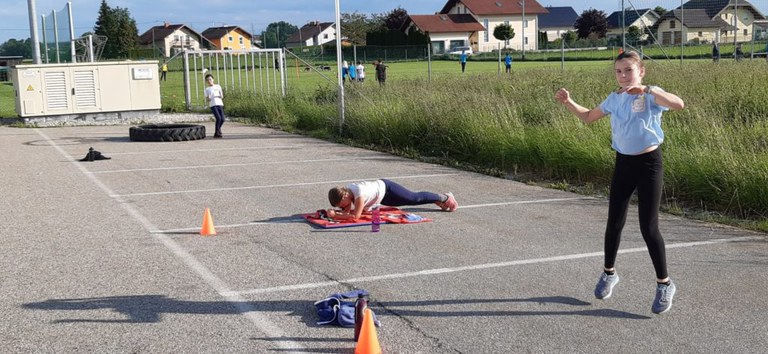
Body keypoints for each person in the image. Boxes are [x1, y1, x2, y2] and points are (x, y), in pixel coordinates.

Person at [554, 51, 685, 314]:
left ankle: (664, 284)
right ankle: (609, 273)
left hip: (649, 164)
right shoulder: (615, 98)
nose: (624, 76)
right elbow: (589, 117)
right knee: (614, 223)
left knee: (649, 228)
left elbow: (678, 104)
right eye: (618, 71)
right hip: (623, 163)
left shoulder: (651, 94)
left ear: (641, 71)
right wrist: (569, 102)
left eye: (628, 70)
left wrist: (647, 90)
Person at [326, 179, 458, 220]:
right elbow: (348, 211)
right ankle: (433, 199)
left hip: (387, 188)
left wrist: (335, 216)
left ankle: (444, 197)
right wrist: (340, 212)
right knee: (409, 201)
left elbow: (355, 217)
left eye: (341, 205)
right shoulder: (347, 192)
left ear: (345, 196)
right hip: (380, 197)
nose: (342, 207)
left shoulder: (358, 194)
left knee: (414, 198)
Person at [204, 74, 225, 138]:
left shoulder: (218, 86)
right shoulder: (207, 89)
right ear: (206, 81)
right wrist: (209, 98)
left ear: (213, 79)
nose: (209, 81)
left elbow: (222, 96)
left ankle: (217, 131)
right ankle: (217, 132)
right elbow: (207, 99)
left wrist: (220, 96)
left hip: (219, 103)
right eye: (207, 80)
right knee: (218, 118)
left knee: (223, 119)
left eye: (210, 79)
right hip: (213, 105)